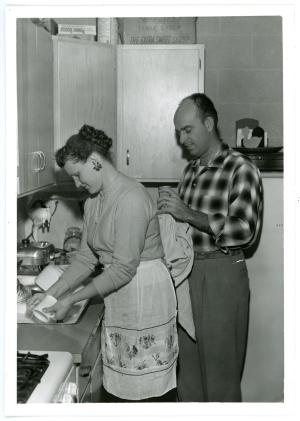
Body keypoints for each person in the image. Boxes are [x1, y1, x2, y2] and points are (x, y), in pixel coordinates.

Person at [28, 124, 178, 402]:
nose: (76, 184)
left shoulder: (131, 197)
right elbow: (86, 258)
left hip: (144, 293)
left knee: (146, 396)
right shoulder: (94, 201)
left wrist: (72, 298)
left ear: (95, 162)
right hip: (119, 290)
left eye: (77, 175)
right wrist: (52, 294)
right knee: (119, 390)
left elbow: (123, 268)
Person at [157, 93, 263, 402]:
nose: (182, 138)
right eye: (178, 131)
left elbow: (245, 230)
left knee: (220, 382)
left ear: (209, 123)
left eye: (188, 129)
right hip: (186, 275)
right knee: (187, 379)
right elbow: (178, 227)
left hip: (222, 275)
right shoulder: (190, 171)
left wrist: (187, 213)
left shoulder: (240, 168)